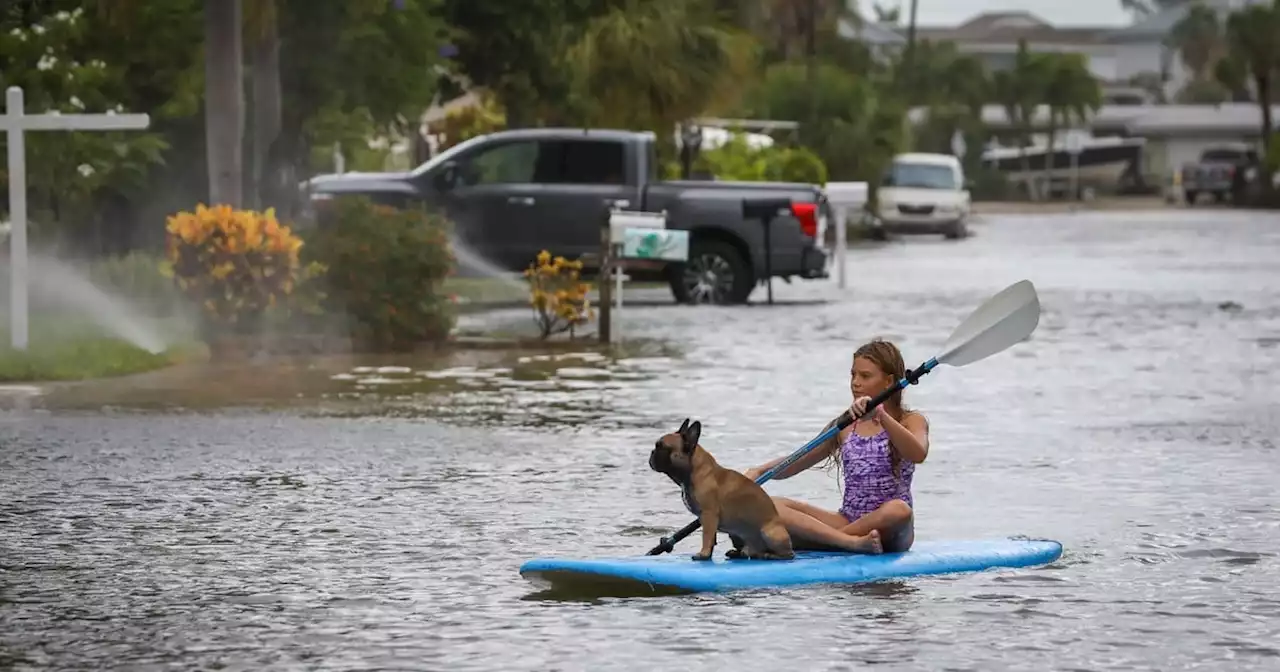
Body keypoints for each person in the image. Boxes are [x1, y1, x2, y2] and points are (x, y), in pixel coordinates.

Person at [743, 339, 930, 555]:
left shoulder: (910, 420)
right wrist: (759, 472)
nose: (855, 383)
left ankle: (823, 541)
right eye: (853, 375)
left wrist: (881, 416)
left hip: (892, 528)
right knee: (770, 505)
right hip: (847, 520)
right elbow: (798, 460)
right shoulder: (845, 423)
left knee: (899, 509)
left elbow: (918, 453)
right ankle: (847, 542)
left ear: (888, 382)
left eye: (865, 376)